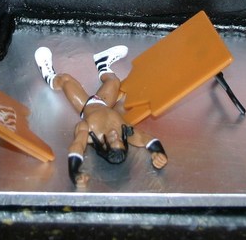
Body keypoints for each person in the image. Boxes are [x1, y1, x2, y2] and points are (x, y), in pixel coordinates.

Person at [35, 45, 169, 187]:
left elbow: (78, 146)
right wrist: (158, 152)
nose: (115, 135)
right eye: (119, 140)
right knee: (114, 81)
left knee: (65, 79)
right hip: (104, 102)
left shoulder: (90, 132)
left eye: (112, 140)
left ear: (104, 145)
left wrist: (74, 172)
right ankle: (102, 62)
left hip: (85, 105)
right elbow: (143, 138)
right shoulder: (124, 131)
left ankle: (50, 77)